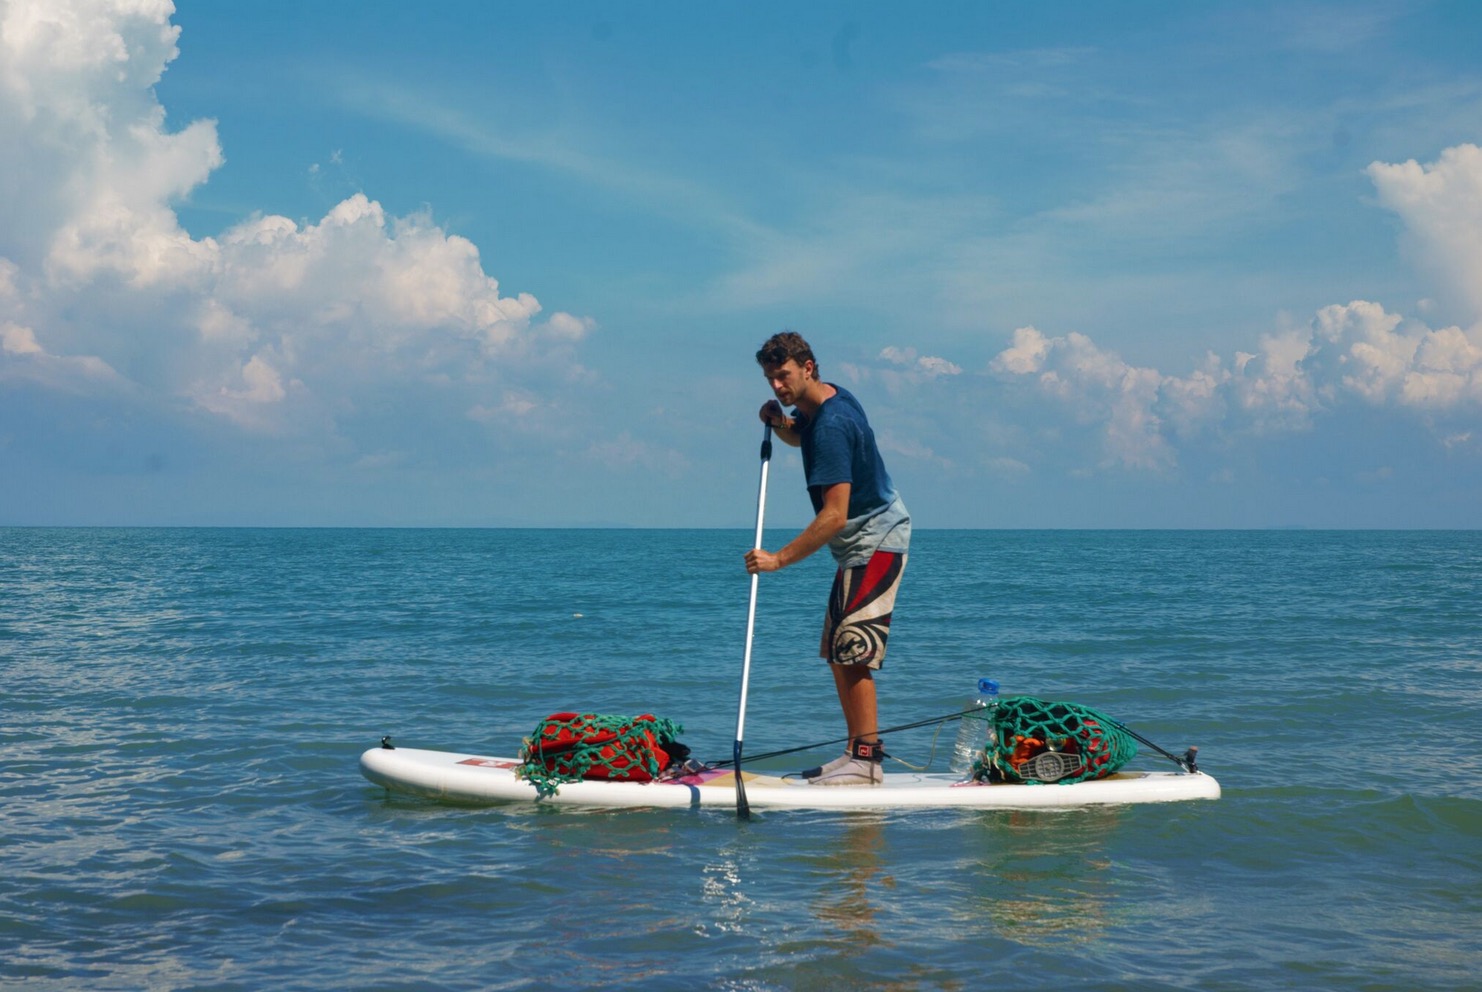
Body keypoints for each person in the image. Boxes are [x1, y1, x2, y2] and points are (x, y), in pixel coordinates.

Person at [744, 331, 911, 786]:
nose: (777, 386)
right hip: (862, 541)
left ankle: (866, 761)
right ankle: (856, 752)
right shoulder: (824, 405)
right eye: (770, 379)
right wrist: (782, 426)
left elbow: (834, 516)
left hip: (876, 538)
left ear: (808, 368)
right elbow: (804, 437)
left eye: (783, 376)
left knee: (853, 651)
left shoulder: (834, 424)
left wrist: (777, 560)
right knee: (839, 650)